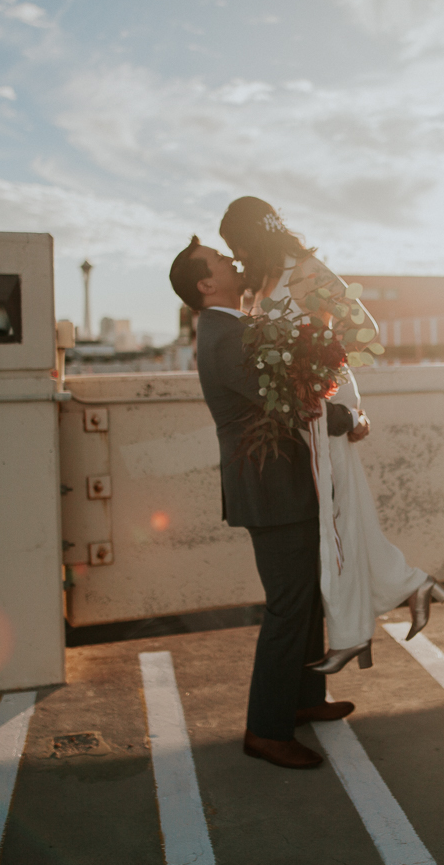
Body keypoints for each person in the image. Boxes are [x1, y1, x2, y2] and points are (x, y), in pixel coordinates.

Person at [218, 196, 444, 676]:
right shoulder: (260, 284)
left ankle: (354, 632)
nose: (236, 258)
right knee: (341, 513)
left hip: (323, 398)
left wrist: (314, 367)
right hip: (300, 407)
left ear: (251, 235)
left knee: (336, 519)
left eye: (236, 246)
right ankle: (401, 593)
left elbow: (363, 329)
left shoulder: (304, 270)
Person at [169, 236, 360, 770]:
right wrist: (348, 420)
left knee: (303, 597)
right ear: (206, 284)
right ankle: (265, 730)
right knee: (286, 606)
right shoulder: (224, 335)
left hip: (283, 483)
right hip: (270, 488)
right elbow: (288, 401)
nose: (232, 260)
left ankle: (303, 699)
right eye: (219, 260)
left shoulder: (231, 326)